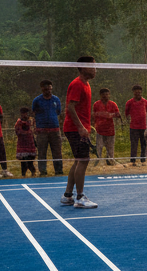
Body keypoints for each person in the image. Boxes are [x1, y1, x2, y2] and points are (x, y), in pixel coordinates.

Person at [59, 56, 98, 209]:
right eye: (93, 66)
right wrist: (81, 128)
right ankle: (80, 197)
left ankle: (68, 195)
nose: (96, 70)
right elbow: (70, 108)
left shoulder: (86, 85)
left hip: (79, 128)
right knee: (83, 160)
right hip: (75, 129)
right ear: (83, 67)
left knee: (78, 160)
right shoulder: (77, 84)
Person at [31, 79, 63, 175]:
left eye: (49, 89)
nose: (48, 91)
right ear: (42, 89)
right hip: (42, 131)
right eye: (45, 89)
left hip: (55, 130)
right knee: (42, 152)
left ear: (51, 88)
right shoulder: (37, 100)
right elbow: (34, 113)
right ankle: (43, 171)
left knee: (57, 151)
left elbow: (58, 112)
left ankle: (58, 170)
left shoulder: (56, 100)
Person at [93, 87, 121, 165]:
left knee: (110, 147)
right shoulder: (96, 104)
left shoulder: (113, 104)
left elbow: (118, 114)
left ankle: (110, 160)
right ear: (100, 95)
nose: (105, 96)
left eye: (106, 94)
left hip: (110, 129)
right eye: (103, 94)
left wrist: (110, 115)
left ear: (109, 95)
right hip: (99, 129)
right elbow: (93, 115)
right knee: (99, 147)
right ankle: (98, 161)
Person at [125, 85, 147, 165]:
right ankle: (133, 160)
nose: (137, 94)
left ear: (141, 92)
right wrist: (128, 120)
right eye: (136, 92)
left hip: (144, 126)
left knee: (144, 143)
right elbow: (126, 113)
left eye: (139, 92)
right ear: (133, 93)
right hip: (133, 127)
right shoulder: (129, 102)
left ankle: (143, 160)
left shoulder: (145, 102)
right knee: (134, 144)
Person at [14, 107, 37, 177]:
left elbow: (35, 129)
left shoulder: (32, 120)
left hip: (30, 142)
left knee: (30, 159)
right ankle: (23, 174)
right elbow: (17, 131)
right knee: (23, 160)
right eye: (23, 113)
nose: (25, 115)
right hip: (22, 143)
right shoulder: (19, 122)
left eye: (26, 113)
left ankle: (33, 171)